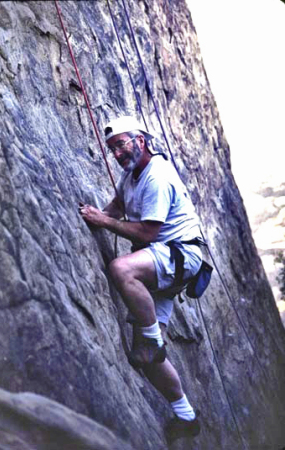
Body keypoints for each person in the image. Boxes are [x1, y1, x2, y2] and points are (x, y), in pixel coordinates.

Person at [79, 115, 202, 439]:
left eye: (121, 144)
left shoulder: (157, 176)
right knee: (145, 358)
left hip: (178, 255)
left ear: (141, 141)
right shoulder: (132, 173)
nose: (116, 154)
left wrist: (102, 223)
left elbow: (148, 232)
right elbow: (118, 206)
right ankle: (186, 416)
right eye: (112, 149)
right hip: (163, 261)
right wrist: (101, 215)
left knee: (121, 268)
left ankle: (153, 338)